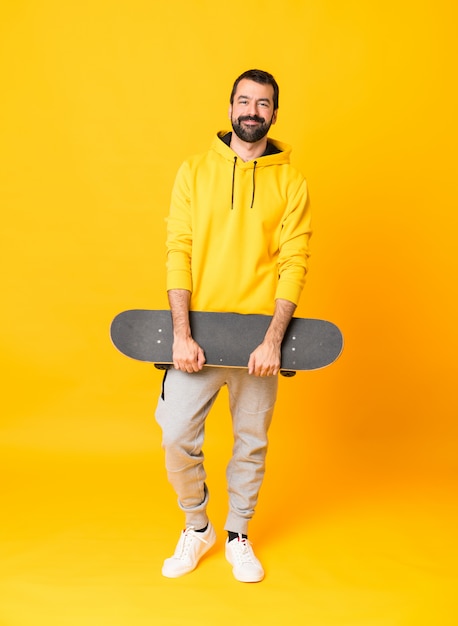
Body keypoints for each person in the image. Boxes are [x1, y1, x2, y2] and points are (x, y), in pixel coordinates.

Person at [155, 69, 312, 583]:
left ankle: (238, 533)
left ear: (273, 113)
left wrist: (273, 340)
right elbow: (179, 249)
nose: (251, 111)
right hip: (197, 336)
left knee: (250, 442)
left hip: (257, 342)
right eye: (243, 101)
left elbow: (294, 261)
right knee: (175, 433)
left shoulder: (291, 182)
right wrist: (180, 333)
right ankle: (197, 524)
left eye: (262, 104)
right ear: (229, 109)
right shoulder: (194, 171)